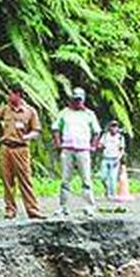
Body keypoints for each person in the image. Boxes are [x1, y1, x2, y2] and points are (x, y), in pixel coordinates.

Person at [0, 83, 44, 220]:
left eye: (10, 94)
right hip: (6, 148)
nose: (8, 96)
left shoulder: (30, 111)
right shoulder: (6, 110)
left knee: (25, 180)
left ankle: (32, 209)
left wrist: (27, 136)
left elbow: (37, 130)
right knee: (7, 180)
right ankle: (10, 209)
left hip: (21, 148)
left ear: (18, 94)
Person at [52, 87, 101, 216]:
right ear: (71, 99)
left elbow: (97, 131)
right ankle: (63, 206)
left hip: (83, 150)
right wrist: (58, 144)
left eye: (80, 100)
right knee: (65, 179)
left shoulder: (89, 114)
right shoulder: (64, 113)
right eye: (75, 99)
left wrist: (93, 146)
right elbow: (56, 128)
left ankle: (89, 206)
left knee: (86, 179)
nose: (78, 102)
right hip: (67, 149)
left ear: (83, 100)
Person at [98, 120, 126, 199]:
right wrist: (100, 146)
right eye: (112, 126)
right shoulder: (105, 136)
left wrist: (118, 159)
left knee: (113, 178)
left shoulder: (120, 137)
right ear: (109, 127)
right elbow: (100, 144)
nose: (114, 128)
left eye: (115, 126)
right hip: (105, 158)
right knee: (103, 177)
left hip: (115, 159)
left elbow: (122, 150)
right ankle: (107, 189)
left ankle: (112, 194)